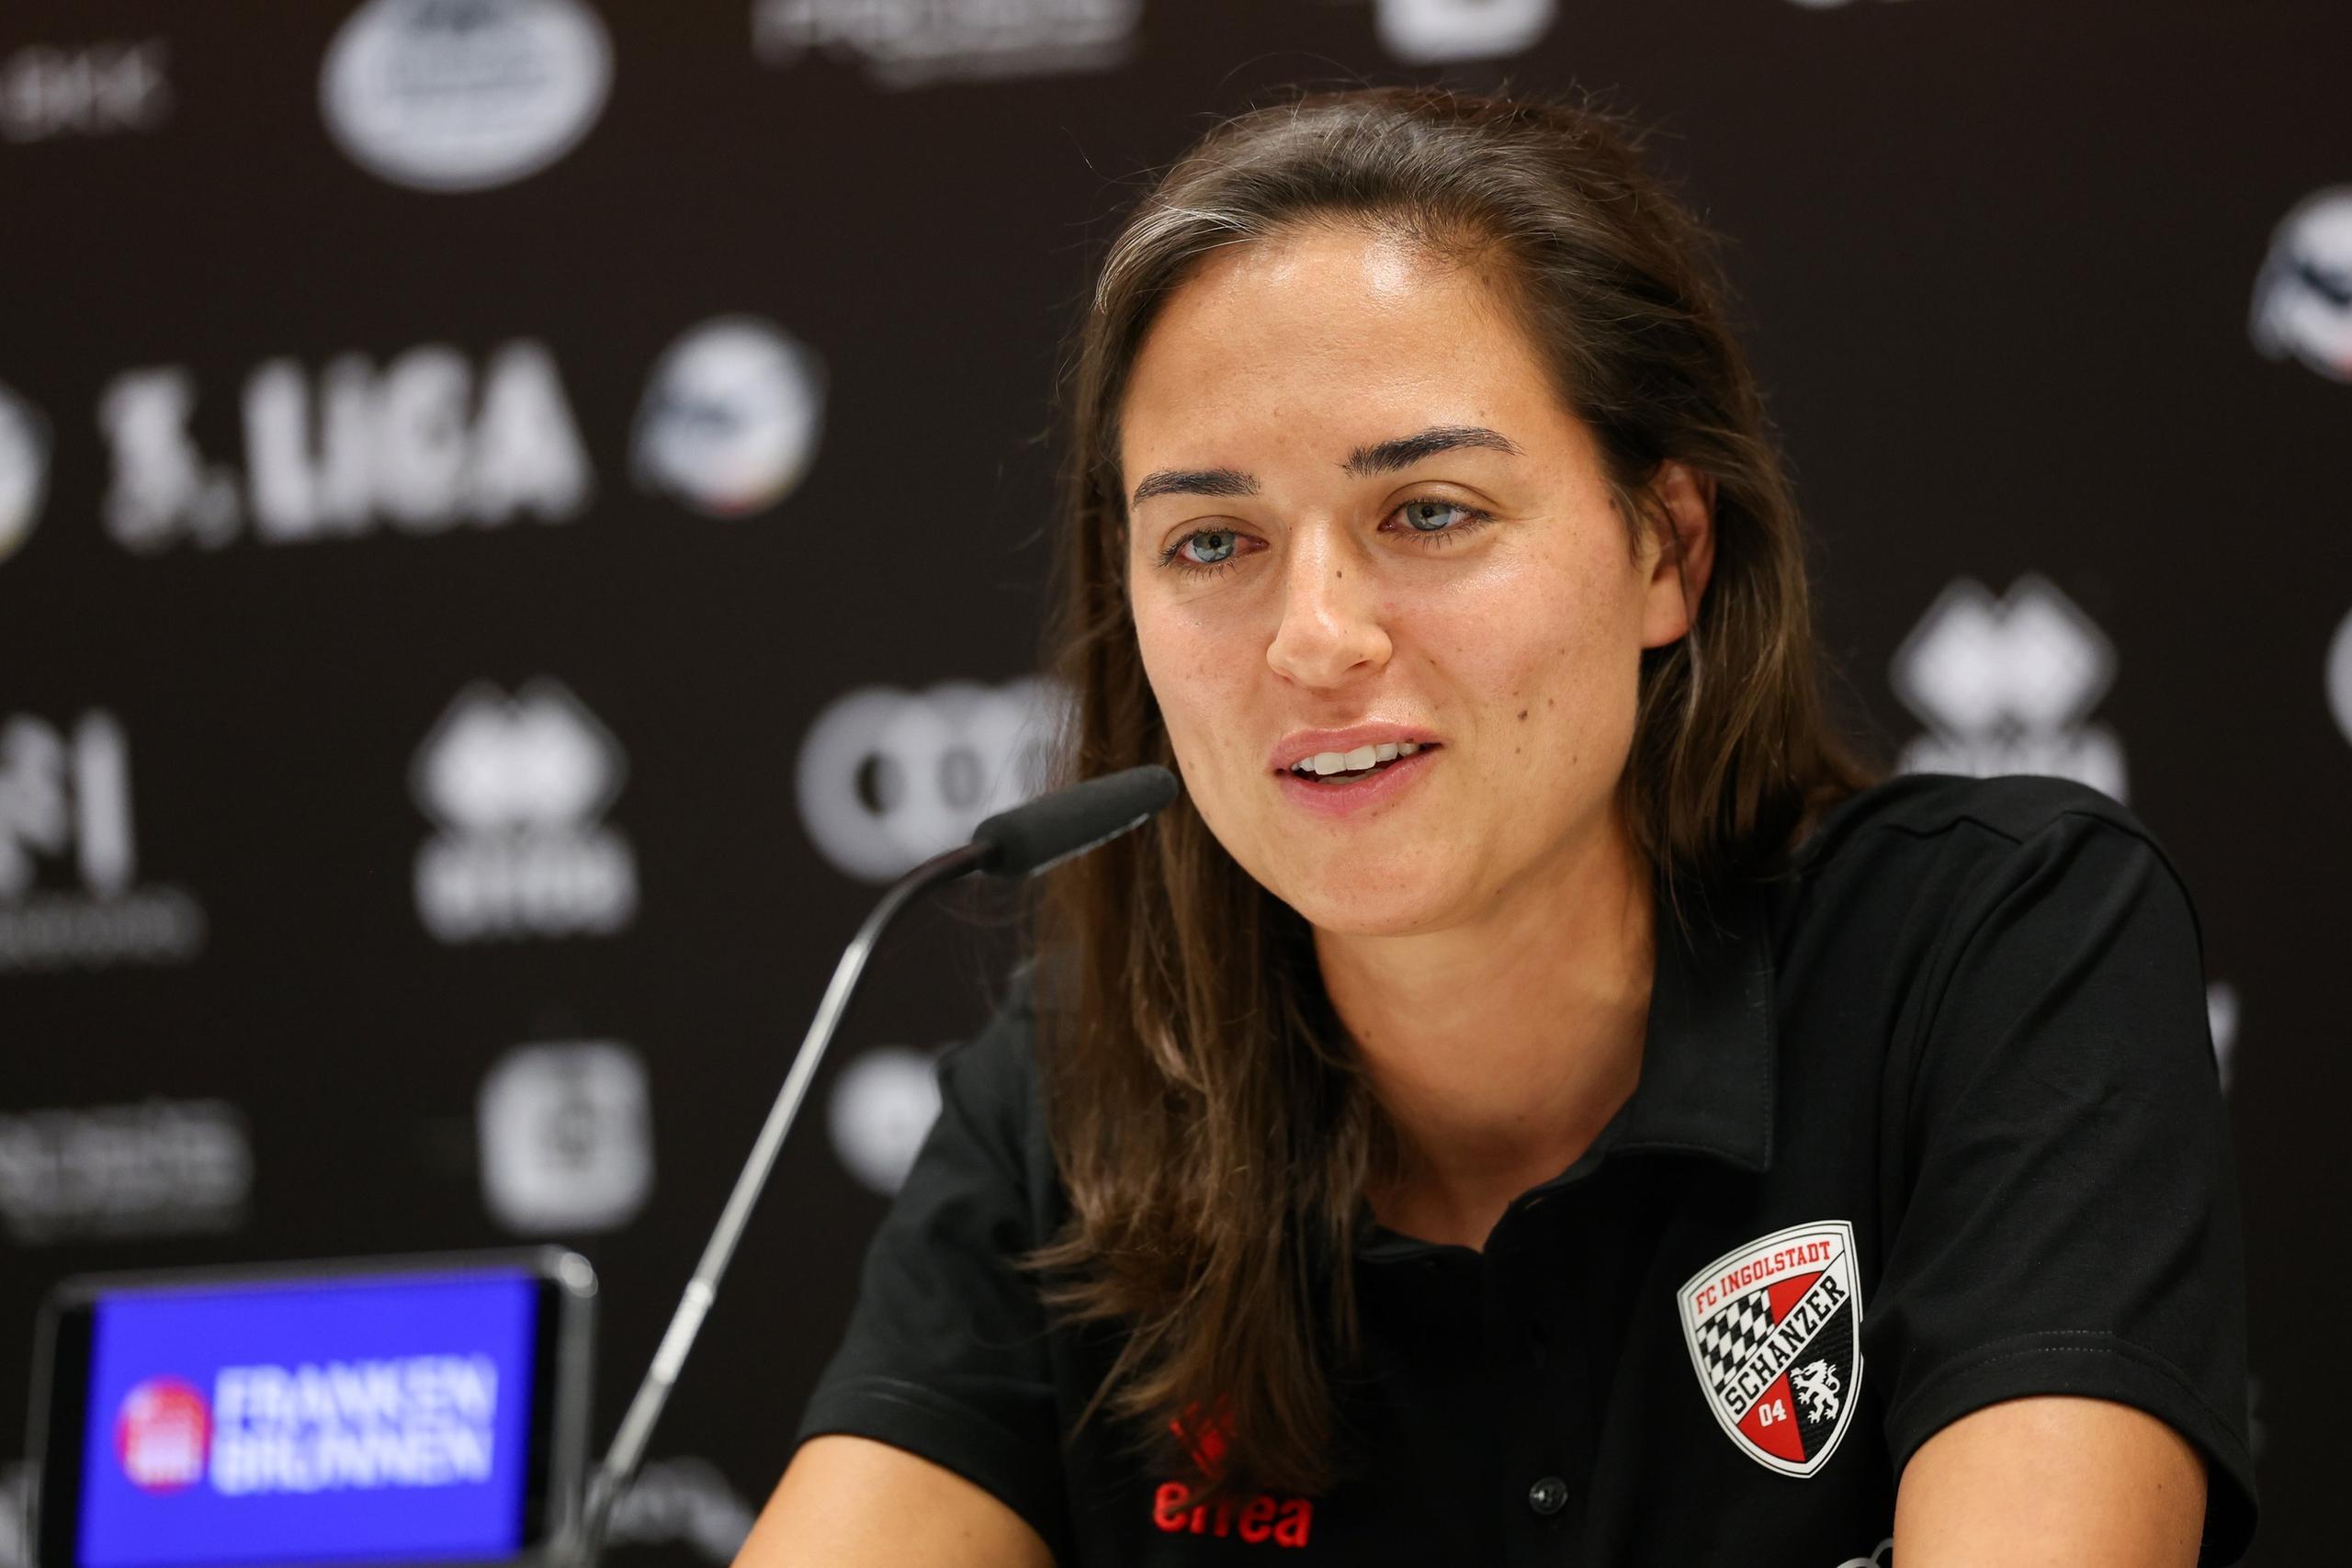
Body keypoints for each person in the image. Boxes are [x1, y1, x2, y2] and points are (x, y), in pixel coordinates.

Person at [737, 87, 2255, 1565]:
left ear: (1666, 550)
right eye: (1211, 541)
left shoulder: (1995, 956)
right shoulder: (1084, 1087)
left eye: (1430, 512)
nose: (1313, 637)